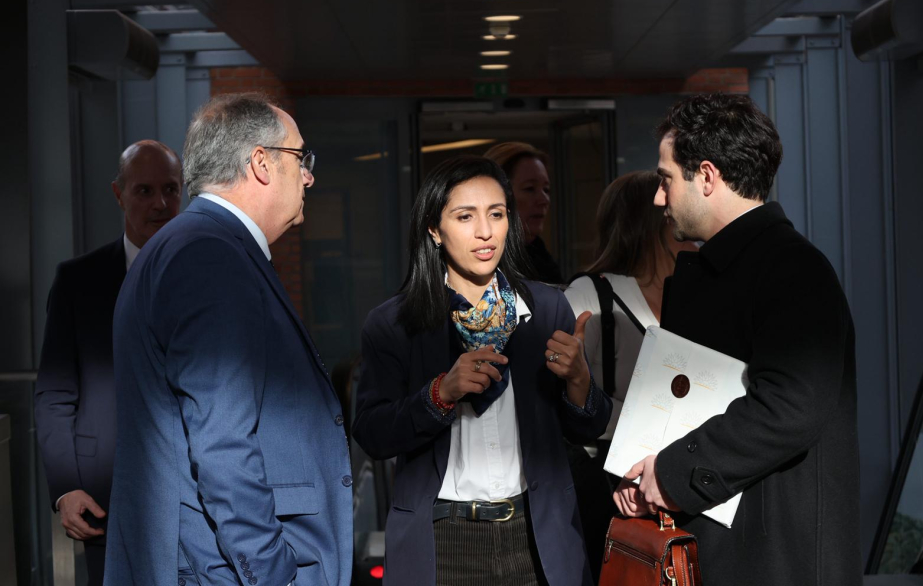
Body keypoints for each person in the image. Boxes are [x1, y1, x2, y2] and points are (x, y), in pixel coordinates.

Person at [104, 94, 352, 586]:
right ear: (262, 163)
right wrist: (273, 574)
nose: (309, 176)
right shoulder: (208, 256)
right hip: (220, 570)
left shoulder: (193, 246)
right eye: (301, 159)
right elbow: (223, 442)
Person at [613, 93, 860, 585]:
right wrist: (643, 469)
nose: (658, 198)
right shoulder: (743, 266)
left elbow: (791, 405)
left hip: (771, 563)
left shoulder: (792, 270)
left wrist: (671, 475)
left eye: (666, 180)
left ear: (706, 176)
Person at [353, 156, 612, 586]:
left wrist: (580, 381)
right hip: (443, 539)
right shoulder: (394, 323)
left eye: (496, 214)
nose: (485, 231)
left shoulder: (546, 308)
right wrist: (440, 394)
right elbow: (372, 432)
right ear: (434, 230)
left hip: (538, 533)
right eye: (465, 216)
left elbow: (588, 428)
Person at [34, 139, 183, 586]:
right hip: (106, 499)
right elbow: (55, 393)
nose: (160, 203)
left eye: (171, 190)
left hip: (197, 498)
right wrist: (66, 487)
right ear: (118, 194)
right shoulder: (78, 281)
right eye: (144, 191)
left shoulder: (207, 273)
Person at [564, 170, 696, 578]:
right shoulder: (589, 295)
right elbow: (565, 400)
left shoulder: (694, 293)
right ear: (651, 222)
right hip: (608, 485)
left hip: (684, 478)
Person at [484, 142, 563, 284]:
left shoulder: (543, 260)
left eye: (546, 190)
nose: (544, 200)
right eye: (530, 188)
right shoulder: (484, 261)